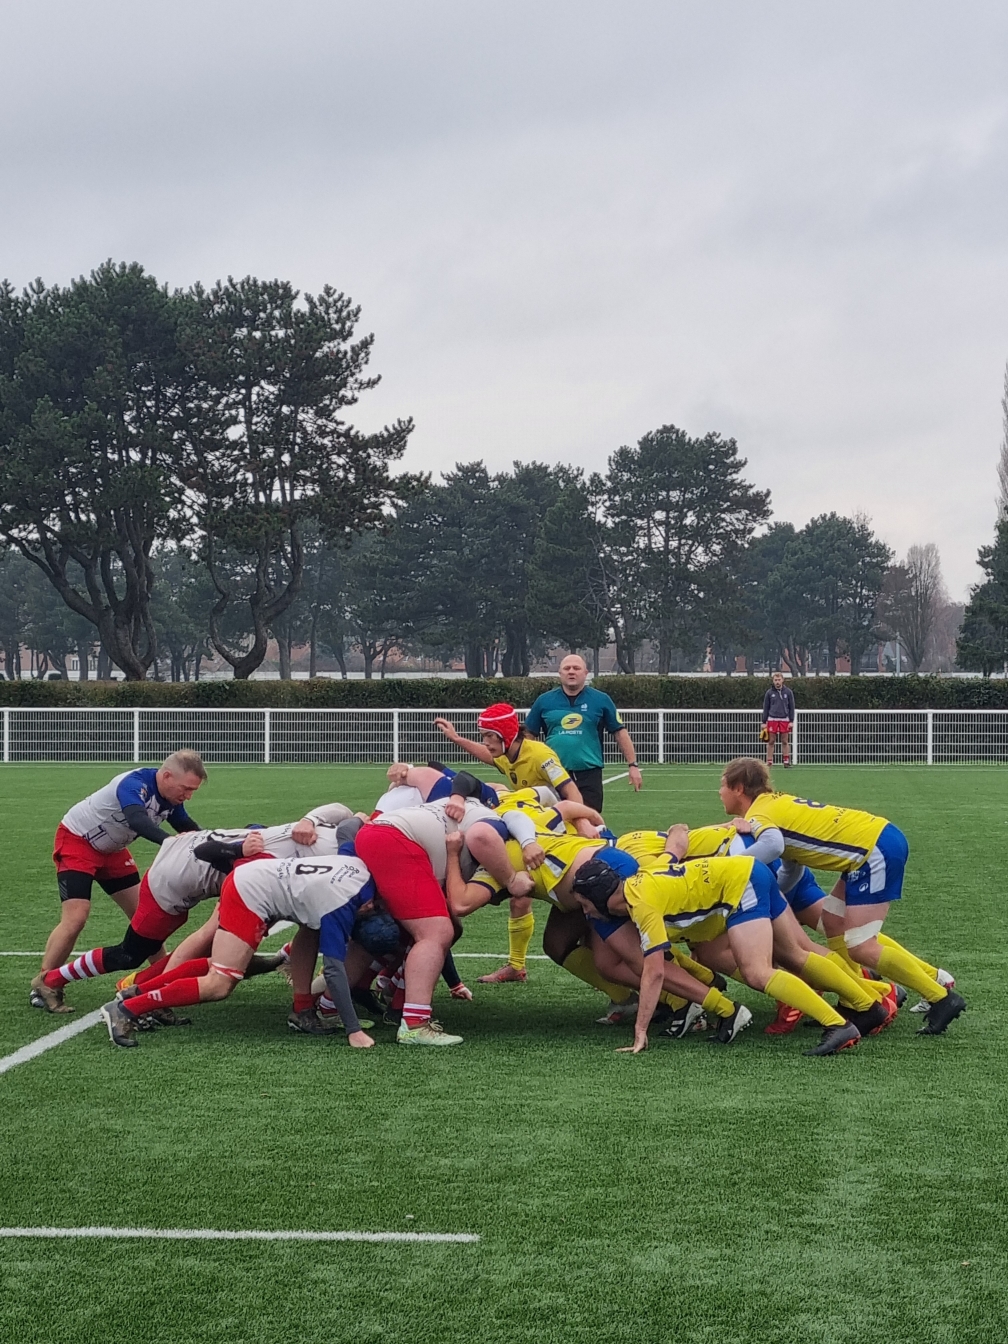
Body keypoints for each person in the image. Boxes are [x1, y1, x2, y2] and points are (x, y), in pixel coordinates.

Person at [718, 757, 966, 1036]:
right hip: (872, 843)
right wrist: (777, 904)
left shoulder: (759, 814)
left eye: (722, 785)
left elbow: (773, 846)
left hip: (872, 851)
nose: (719, 792)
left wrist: (730, 870)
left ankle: (940, 997)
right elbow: (792, 867)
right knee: (834, 922)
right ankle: (857, 999)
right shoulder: (772, 804)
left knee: (861, 945)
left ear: (739, 788)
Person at [570, 842, 867, 1058]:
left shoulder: (640, 905)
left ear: (599, 897)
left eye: (585, 905)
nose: (588, 914)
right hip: (748, 872)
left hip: (741, 883)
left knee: (756, 972)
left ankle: (839, 1024)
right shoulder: (638, 887)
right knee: (795, 954)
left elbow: (655, 972)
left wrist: (640, 1031)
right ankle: (868, 1003)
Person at [101, 851, 377, 1049]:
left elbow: (349, 829)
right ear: (368, 907)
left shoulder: (361, 868)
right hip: (251, 892)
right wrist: (353, 1030)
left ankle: (302, 1010)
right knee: (219, 983)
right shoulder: (341, 907)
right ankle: (127, 1008)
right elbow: (333, 969)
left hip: (262, 878)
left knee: (310, 930)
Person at [352, 795, 540, 1045]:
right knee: (436, 932)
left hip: (380, 834)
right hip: (395, 840)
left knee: (409, 929)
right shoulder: (494, 824)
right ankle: (414, 1024)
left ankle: (326, 1004)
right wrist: (510, 880)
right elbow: (482, 840)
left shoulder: (476, 811)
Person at [30, 751, 207, 1013]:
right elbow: (137, 819)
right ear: (167, 776)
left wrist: (211, 842)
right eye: (186, 788)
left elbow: (188, 828)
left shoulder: (170, 796)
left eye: (193, 790)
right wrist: (171, 844)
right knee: (76, 917)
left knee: (146, 919)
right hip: (78, 842)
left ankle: (161, 981)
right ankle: (45, 983)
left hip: (112, 851)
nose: (188, 796)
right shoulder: (135, 784)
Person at [434, 702, 584, 985]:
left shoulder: (540, 754)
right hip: (527, 826)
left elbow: (573, 797)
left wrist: (582, 822)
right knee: (519, 898)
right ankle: (516, 967)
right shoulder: (508, 753)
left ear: (505, 734)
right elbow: (491, 758)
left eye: (490, 736)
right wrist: (456, 739)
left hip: (554, 834)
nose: (485, 742)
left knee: (562, 902)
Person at [523, 654, 641, 810]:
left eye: (576, 668)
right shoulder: (544, 701)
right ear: (560, 673)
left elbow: (620, 732)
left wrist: (633, 765)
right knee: (555, 822)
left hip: (589, 774)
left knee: (590, 821)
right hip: (553, 772)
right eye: (567, 668)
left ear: (585, 673)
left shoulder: (601, 700)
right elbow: (527, 736)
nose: (571, 672)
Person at [761, 671, 795, 768]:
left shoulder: (788, 692)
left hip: (785, 719)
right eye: (775, 680)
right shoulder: (769, 693)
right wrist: (764, 721)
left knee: (785, 741)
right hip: (772, 719)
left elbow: (792, 707)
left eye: (779, 680)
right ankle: (769, 762)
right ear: (773, 681)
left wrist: (791, 721)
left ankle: (786, 761)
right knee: (771, 741)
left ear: (782, 680)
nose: (777, 682)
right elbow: (766, 707)